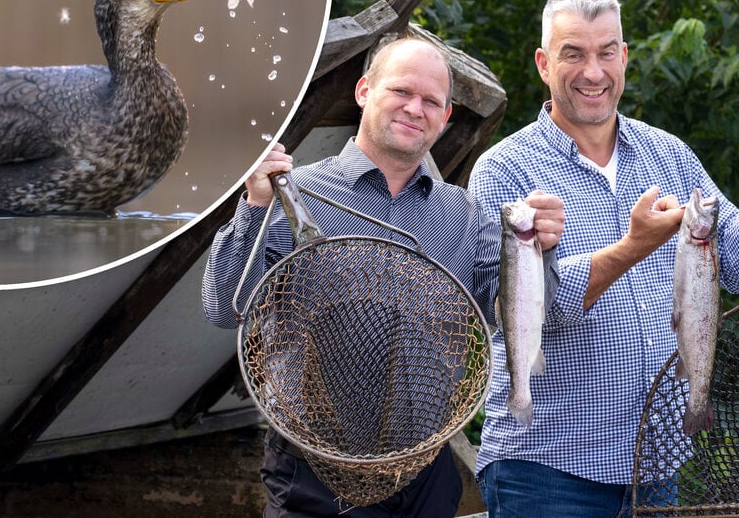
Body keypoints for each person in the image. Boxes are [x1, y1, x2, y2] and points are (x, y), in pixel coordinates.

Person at [468, 0, 739, 517]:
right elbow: (524, 317)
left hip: (657, 468)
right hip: (547, 472)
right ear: (542, 63)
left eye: (606, 52)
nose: (593, 72)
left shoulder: (668, 153)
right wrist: (632, 247)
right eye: (573, 53)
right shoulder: (505, 170)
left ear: (624, 58)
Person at [202, 37, 564, 517]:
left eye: (431, 101)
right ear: (363, 91)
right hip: (314, 472)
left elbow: (521, 313)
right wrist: (254, 206)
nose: (415, 108)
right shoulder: (294, 194)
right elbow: (224, 307)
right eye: (401, 91)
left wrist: (542, 253)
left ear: (446, 116)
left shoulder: (465, 215)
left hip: (425, 473)